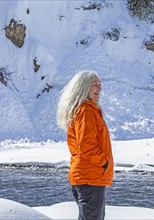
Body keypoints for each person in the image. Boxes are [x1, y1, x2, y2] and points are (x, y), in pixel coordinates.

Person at [57, 70, 114, 220]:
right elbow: (86, 145)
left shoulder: (85, 110)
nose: (99, 88)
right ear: (83, 87)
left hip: (87, 176)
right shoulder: (85, 110)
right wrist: (103, 162)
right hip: (90, 176)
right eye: (95, 84)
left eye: (100, 85)